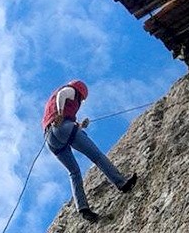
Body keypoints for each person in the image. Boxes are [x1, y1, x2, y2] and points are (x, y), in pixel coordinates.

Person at [42, 79, 137, 222]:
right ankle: (121, 183)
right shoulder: (71, 90)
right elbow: (63, 94)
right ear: (80, 92)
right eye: (82, 99)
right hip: (63, 128)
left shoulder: (52, 103)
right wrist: (61, 113)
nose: (81, 102)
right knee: (97, 156)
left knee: (73, 172)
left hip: (50, 138)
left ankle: (84, 210)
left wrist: (79, 126)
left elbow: (63, 123)